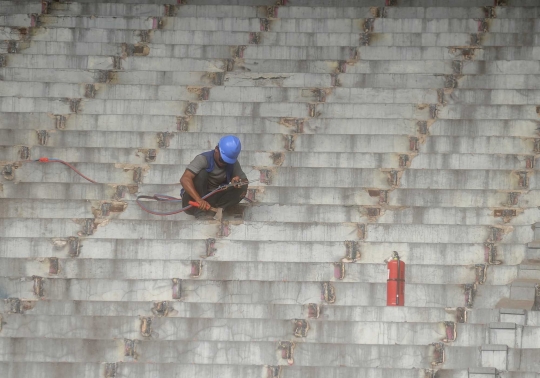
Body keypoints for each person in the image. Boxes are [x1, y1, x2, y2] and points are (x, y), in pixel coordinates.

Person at [180, 135, 248, 217]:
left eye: (227, 161)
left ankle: (218, 210)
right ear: (216, 149)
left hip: (212, 200)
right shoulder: (203, 159)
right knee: (201, 174)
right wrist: (199, 200)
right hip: (193, 200)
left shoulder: (233, 164)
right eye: (222, 160)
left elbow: (245, 181)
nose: (223, 163)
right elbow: (185, 179)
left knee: (243, 187)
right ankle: (200, 213)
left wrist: (238, 181)